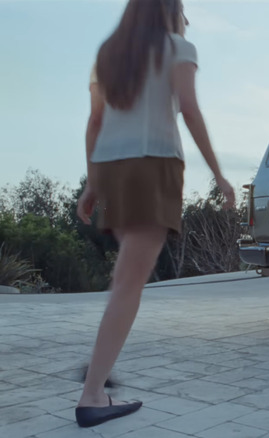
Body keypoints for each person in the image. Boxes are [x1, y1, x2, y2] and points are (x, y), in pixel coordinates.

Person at [75, 0, 235, 428]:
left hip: (112, 170)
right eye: (184, 9)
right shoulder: (178, 47)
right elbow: (190, 108)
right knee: (129, 284)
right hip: (153, 165)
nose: (187, 18)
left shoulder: (109, 54)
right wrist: (220, 175)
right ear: (169, 9)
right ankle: (92, 393)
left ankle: (97, 372)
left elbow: (94, 122)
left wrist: (93, 182)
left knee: (124, 279)